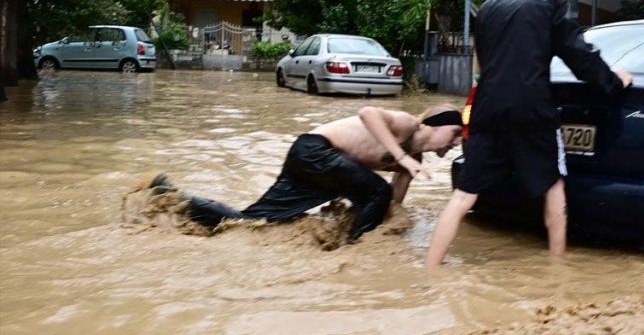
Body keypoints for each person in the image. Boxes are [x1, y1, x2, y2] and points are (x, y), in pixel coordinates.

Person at [425, 0, 632, 268]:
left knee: (464, 195)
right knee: (553, 185)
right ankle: (556, 271)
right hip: (532, 109)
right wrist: (614, 82)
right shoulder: (547, 3)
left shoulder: (487, 11)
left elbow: (482, 68)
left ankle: (430, 268)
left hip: (487, 110)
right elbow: (578, 55)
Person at [152, 104, 463, 242]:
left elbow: (391, 204)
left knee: (252, 222)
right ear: (437, 124)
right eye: (454, 134)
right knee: (376, 190)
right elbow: (367, 113)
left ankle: (172, 197)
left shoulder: (414, 159)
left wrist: (389, 224)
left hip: (321, 169)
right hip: (314, 151)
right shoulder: (407, 124)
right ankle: (356, 249)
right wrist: (399, 157)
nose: (455, 143)